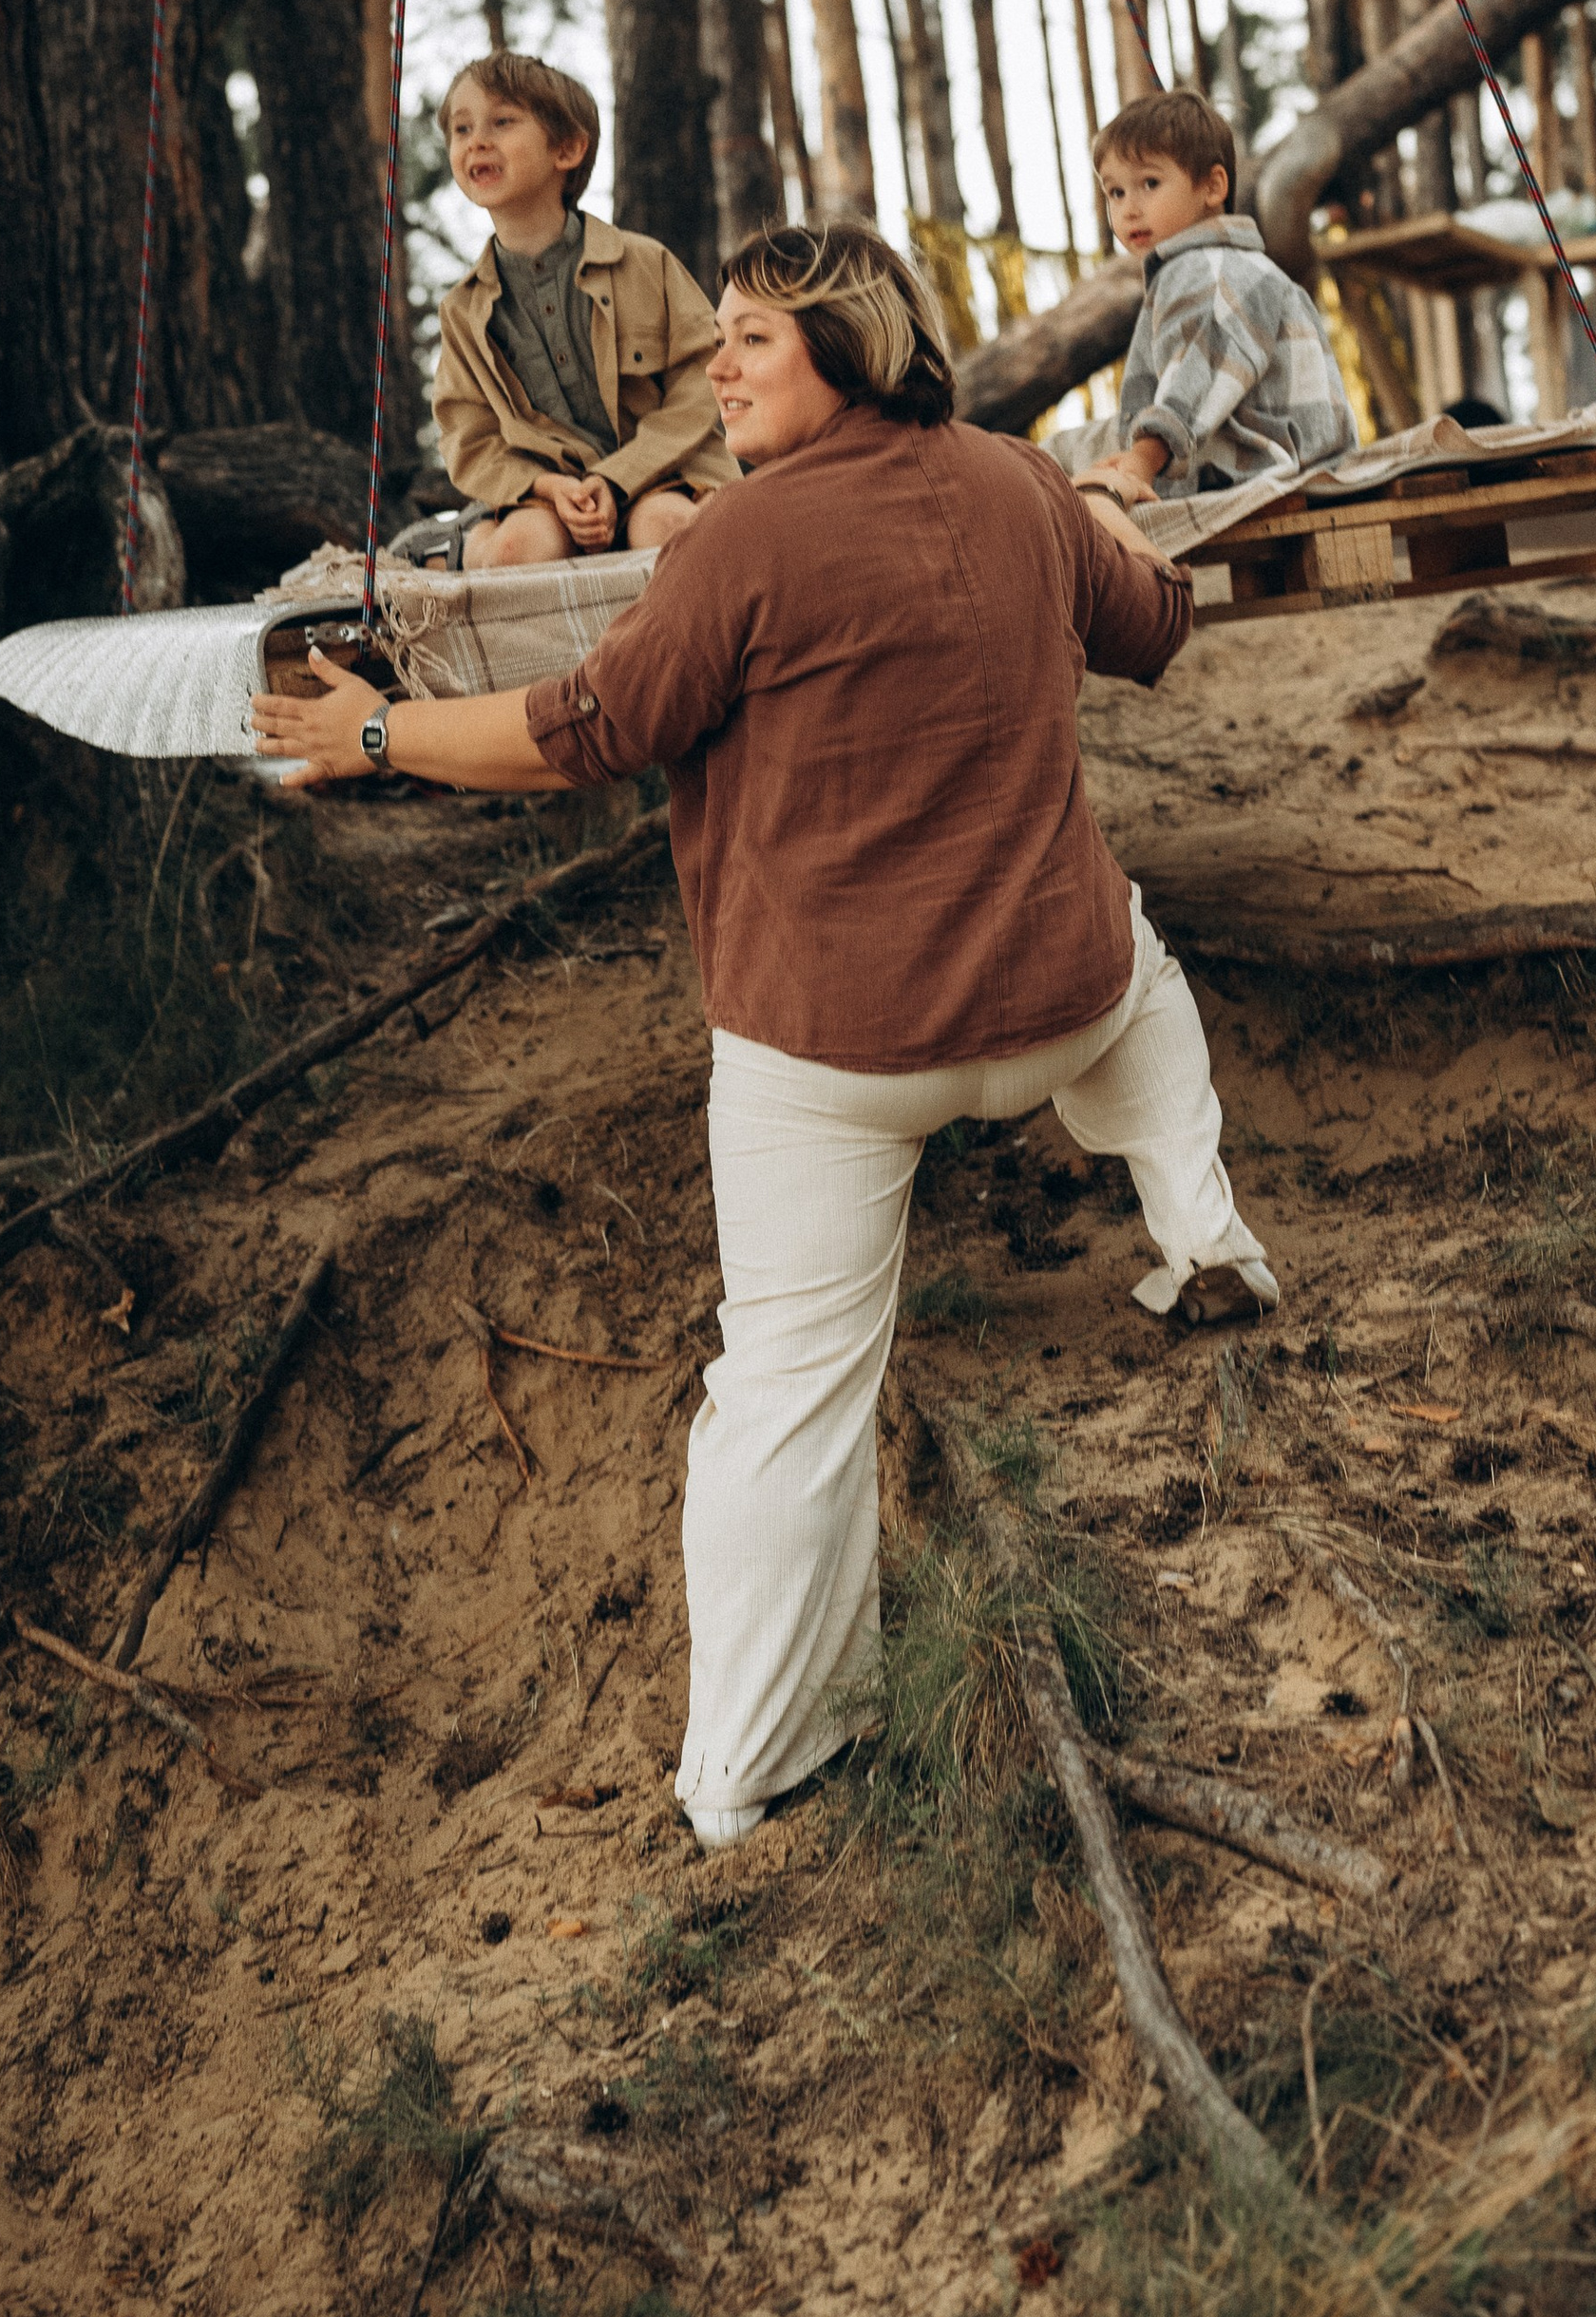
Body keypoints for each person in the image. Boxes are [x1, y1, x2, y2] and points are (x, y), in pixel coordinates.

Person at [253, 220, 1282, 1857]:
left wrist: (375, 731)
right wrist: (1093, 507)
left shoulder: (742, 543)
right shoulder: (1018, 483)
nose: (716, 368)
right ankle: (1204, 1227)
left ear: (851, 354)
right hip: (1055, 1000)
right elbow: (1155, 628)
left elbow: (578, 731)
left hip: (846, 1060)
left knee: (790, 1394)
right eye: (718, 338)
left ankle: (749, 1767)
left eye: (750, 342)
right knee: (1140, 979)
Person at [431, 50, 737, 568]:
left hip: (665, 476)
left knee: (664, 529)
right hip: (546, 499)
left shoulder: (646, 263)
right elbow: (470, 436)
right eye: (461, 129)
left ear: (568, 149)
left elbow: (704, 376)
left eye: (502, 122)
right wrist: (545, 487)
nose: (477, 140)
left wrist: (617, 480)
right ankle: (453, 547)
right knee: (520, 547)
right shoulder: (462, 311)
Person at [1074, 86, 1356, 512]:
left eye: (1149, 183)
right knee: (1058, 454)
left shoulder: (1208, 270)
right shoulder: (1210, 266)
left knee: (1049, 471)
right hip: (1266, 452)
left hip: (1261, 464)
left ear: (1212, 186)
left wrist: (1139, 464)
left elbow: (1197, 373)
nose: (1129, 208)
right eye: (1116, 192)